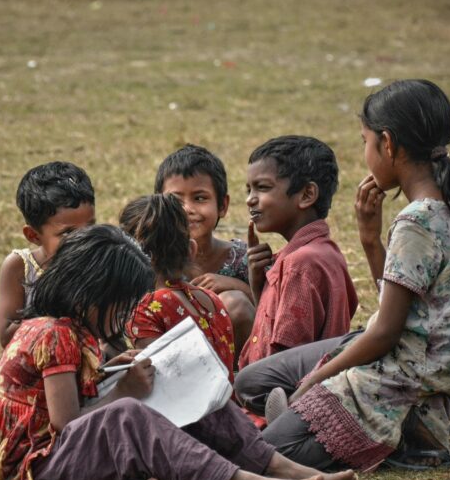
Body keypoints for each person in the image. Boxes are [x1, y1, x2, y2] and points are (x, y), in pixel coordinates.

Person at [0, 226, 355, 480]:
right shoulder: (53, 333)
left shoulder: (70, 327)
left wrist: (110, 372)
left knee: (183, 382)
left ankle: (274, 463)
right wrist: (122, 390)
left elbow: (70, 399)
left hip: (58, 456)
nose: (124, 313)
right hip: (34, 475)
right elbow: (67, 423)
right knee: (128, 414)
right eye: (120, 304)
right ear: (90, 294)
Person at [249, 79, 450, 472]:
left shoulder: (417, 222)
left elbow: (385, 333)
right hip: (397, 352)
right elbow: (401, 308)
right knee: (251, 382)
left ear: (387, 143)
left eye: (365, 142)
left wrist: (315, 381)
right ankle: (313, 415)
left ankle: (407, 431)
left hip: (401, 379)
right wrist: (370, 239)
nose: (365, 154)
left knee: (266, 456)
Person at [236, 136, 358, 382]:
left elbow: (283, 366)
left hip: (277, 400)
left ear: (307, 194)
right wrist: (259, 287)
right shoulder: (327, 252)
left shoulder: (299, 265)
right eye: (249, 190)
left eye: (263, 187)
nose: (250, 199)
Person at [155, 144, 254, 364]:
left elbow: (273, 309)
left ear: (223, 205)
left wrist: (236, 285)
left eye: (199, 198)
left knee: (236, 303)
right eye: (176, 200)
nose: (187, 209)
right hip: (171, 363)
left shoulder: (241, 259)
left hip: (233, 369)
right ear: (158, 205)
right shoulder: (148, 259)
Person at [120, 194, 235, 380]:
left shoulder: (146, 309)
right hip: (227, 398)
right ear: (191, 250)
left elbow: (159, 382)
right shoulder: (211, 299)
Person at [0, 162, 95, 348]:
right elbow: (6, 338)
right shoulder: (20, 267)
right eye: (68, 233)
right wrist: (54, 303)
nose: (84, 239)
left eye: (90, 227)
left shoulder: (98, 261)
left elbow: (108, 332)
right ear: (34, 236)